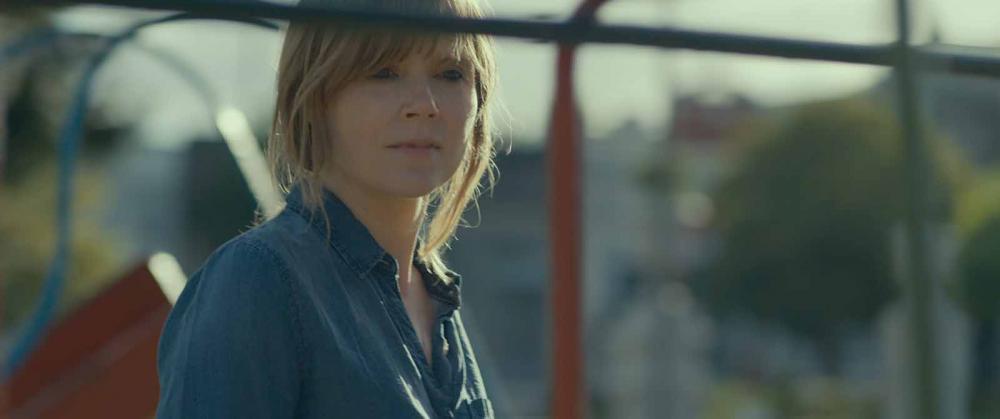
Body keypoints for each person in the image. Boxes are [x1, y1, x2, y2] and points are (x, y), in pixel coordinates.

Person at [155, 0, 500, 417]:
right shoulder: (259, 280)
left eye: (450, 74)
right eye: (383, 72)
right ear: (315, 94)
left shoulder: (436, 299)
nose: (424, 104)